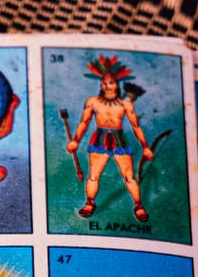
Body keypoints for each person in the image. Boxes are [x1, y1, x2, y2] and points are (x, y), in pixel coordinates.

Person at [65, 56, 154, 222]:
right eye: (104, 83)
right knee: (93, 176)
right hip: (99, 139)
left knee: (129, 177)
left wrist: (145, 147)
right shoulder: (92, 101)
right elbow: (84, 122)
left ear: (116, 85)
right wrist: (75, 140)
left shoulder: (126, 104)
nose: (107, 86)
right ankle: (90, 203)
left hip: (119, 139)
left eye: (111, 83)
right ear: (100, 85)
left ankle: (138, 205)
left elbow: (135, 126)